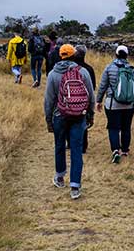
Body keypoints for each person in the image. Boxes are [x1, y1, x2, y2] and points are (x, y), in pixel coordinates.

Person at [44, 44, 95, 200]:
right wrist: (90, 115)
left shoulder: (53, 74)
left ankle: (60, 177)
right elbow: (91, 96)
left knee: (59, 146)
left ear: (60, 56)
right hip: (79, 116)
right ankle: (75, 186)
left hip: (59, 116)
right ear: (74, 55)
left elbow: (49, 100)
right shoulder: (83, 71)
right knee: (76, 149)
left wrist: (48, 119)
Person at [96, 45, 134, 164]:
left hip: (113, 104)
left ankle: (115, 151)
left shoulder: (109, 68)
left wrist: (99, 100)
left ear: (116, 54)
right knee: (126, 127)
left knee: (113, 127)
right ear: (127, 55)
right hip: (130, 104)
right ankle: (125, 150)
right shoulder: (133, 69)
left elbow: (103, 86)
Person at [73, 45, 96, 154]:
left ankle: (70, 142)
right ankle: (83, 145)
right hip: (85, 101)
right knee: (83, 122)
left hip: (70, 99)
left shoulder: (70, 69)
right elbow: (93, 87)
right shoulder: (89, 69)